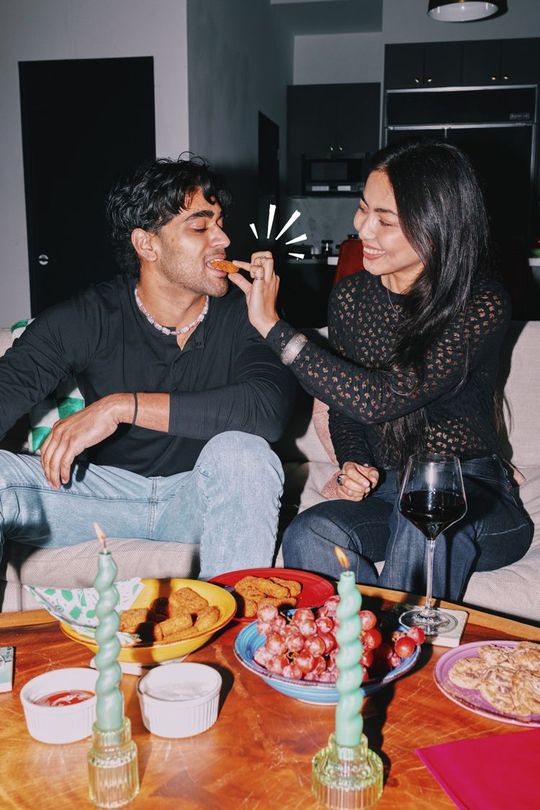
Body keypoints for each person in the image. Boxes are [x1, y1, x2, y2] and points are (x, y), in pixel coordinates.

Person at [230, 140, 533, 602]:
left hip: (472, 492)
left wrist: (274, 328)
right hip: (391, 490)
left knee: (426, 521)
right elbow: (349, 411)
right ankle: (360, 654)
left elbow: (380, 398)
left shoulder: (480, 303)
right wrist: (355, 462)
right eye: (362, 209)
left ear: (436, 228)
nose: (362, 230)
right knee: (311, 533)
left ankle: (400, 658)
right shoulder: (351, 299)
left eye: (385, 221)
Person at [0, 155, 297, 581]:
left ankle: (233, 638)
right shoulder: (90, 315)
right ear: (147, 245)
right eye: (200, 227)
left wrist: (121, 407)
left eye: (219, 223)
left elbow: (266, 411)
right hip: (99, 497)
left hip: (196, 497)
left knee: (244, 453)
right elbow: (9, 386)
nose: (223, 239)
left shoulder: (247, 314)